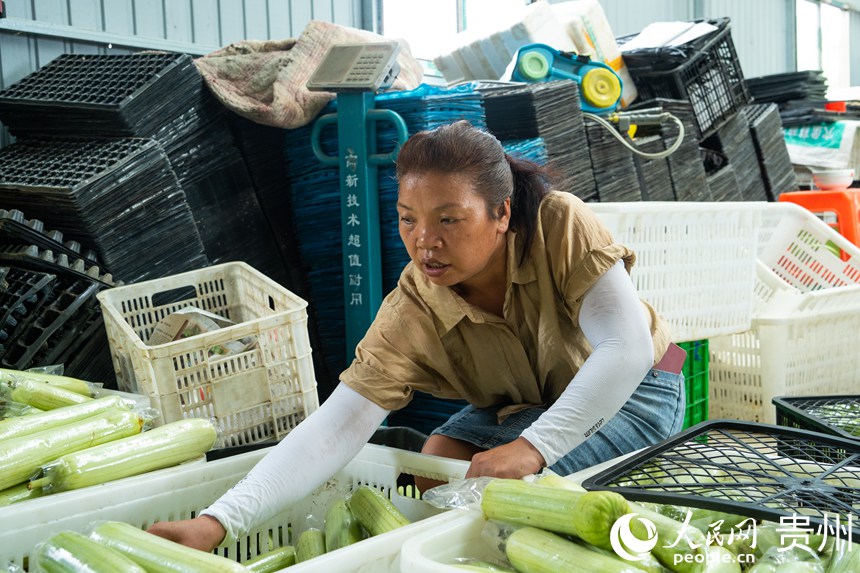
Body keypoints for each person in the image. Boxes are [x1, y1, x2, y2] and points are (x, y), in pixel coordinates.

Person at [147, 120, 685, 551]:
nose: (424, 241)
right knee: (433, 462)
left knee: (506, 494)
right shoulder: (412, 306)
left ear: (500, 214)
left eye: (448, 220)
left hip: (639, 389)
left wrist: (532, 447)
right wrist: (218, 523)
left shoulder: (557, 223)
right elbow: (336, 427)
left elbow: (627, 348)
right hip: (533, 401)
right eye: (408, 219)